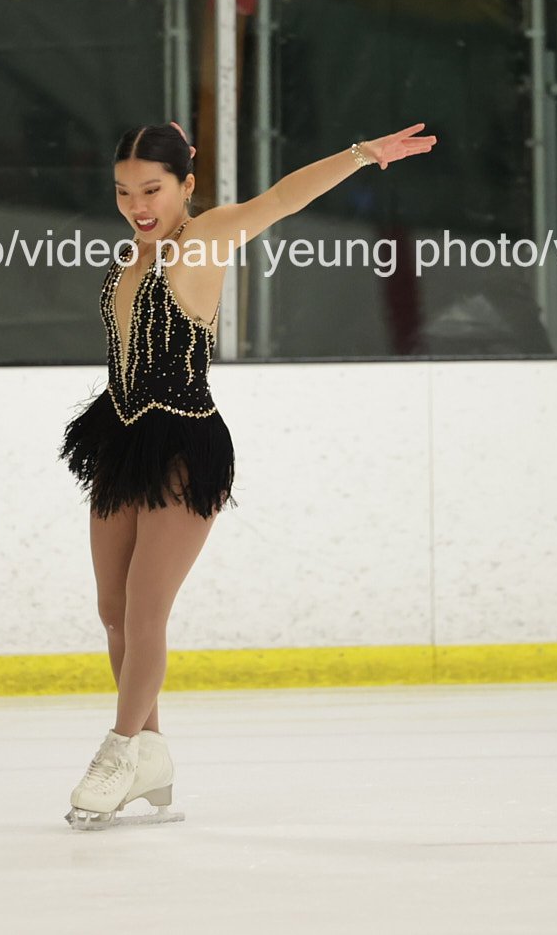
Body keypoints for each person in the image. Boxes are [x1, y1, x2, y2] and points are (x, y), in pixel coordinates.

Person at [57, 118, 437, 829]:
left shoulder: (204, 238)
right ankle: (152, 753)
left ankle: (119, 749)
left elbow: (284, 198)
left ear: (186, 184)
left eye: (152, 189)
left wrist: (361, 154)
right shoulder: (130, 256)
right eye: (123, 191)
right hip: (120, 437)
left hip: (183, 444)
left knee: (145, 610)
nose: (137, 205)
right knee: (113, 610)